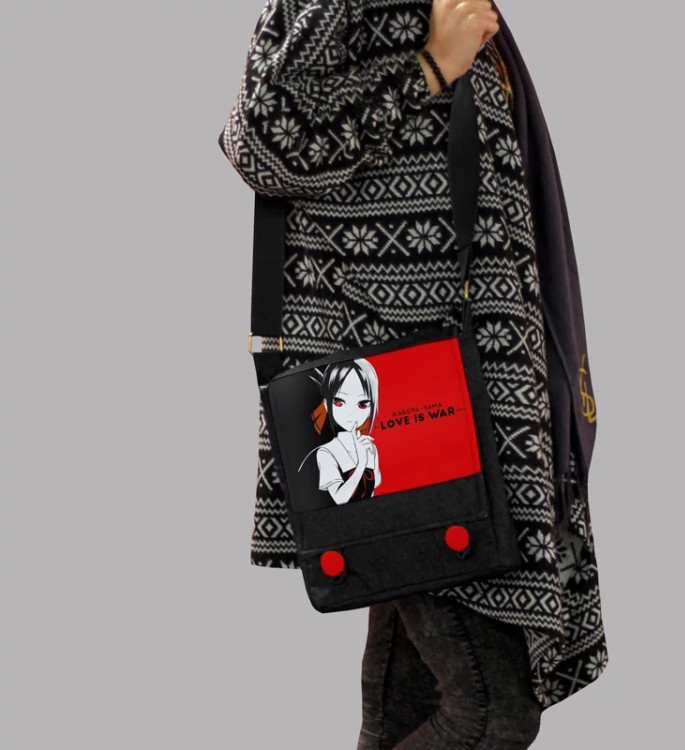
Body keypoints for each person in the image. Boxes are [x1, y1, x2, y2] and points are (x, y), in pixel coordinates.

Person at [217, 1, 609, 747]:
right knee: (491, 716)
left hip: (451, 399)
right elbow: (263, 137)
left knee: (406, 711)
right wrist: (429, 68)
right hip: (405, 408)